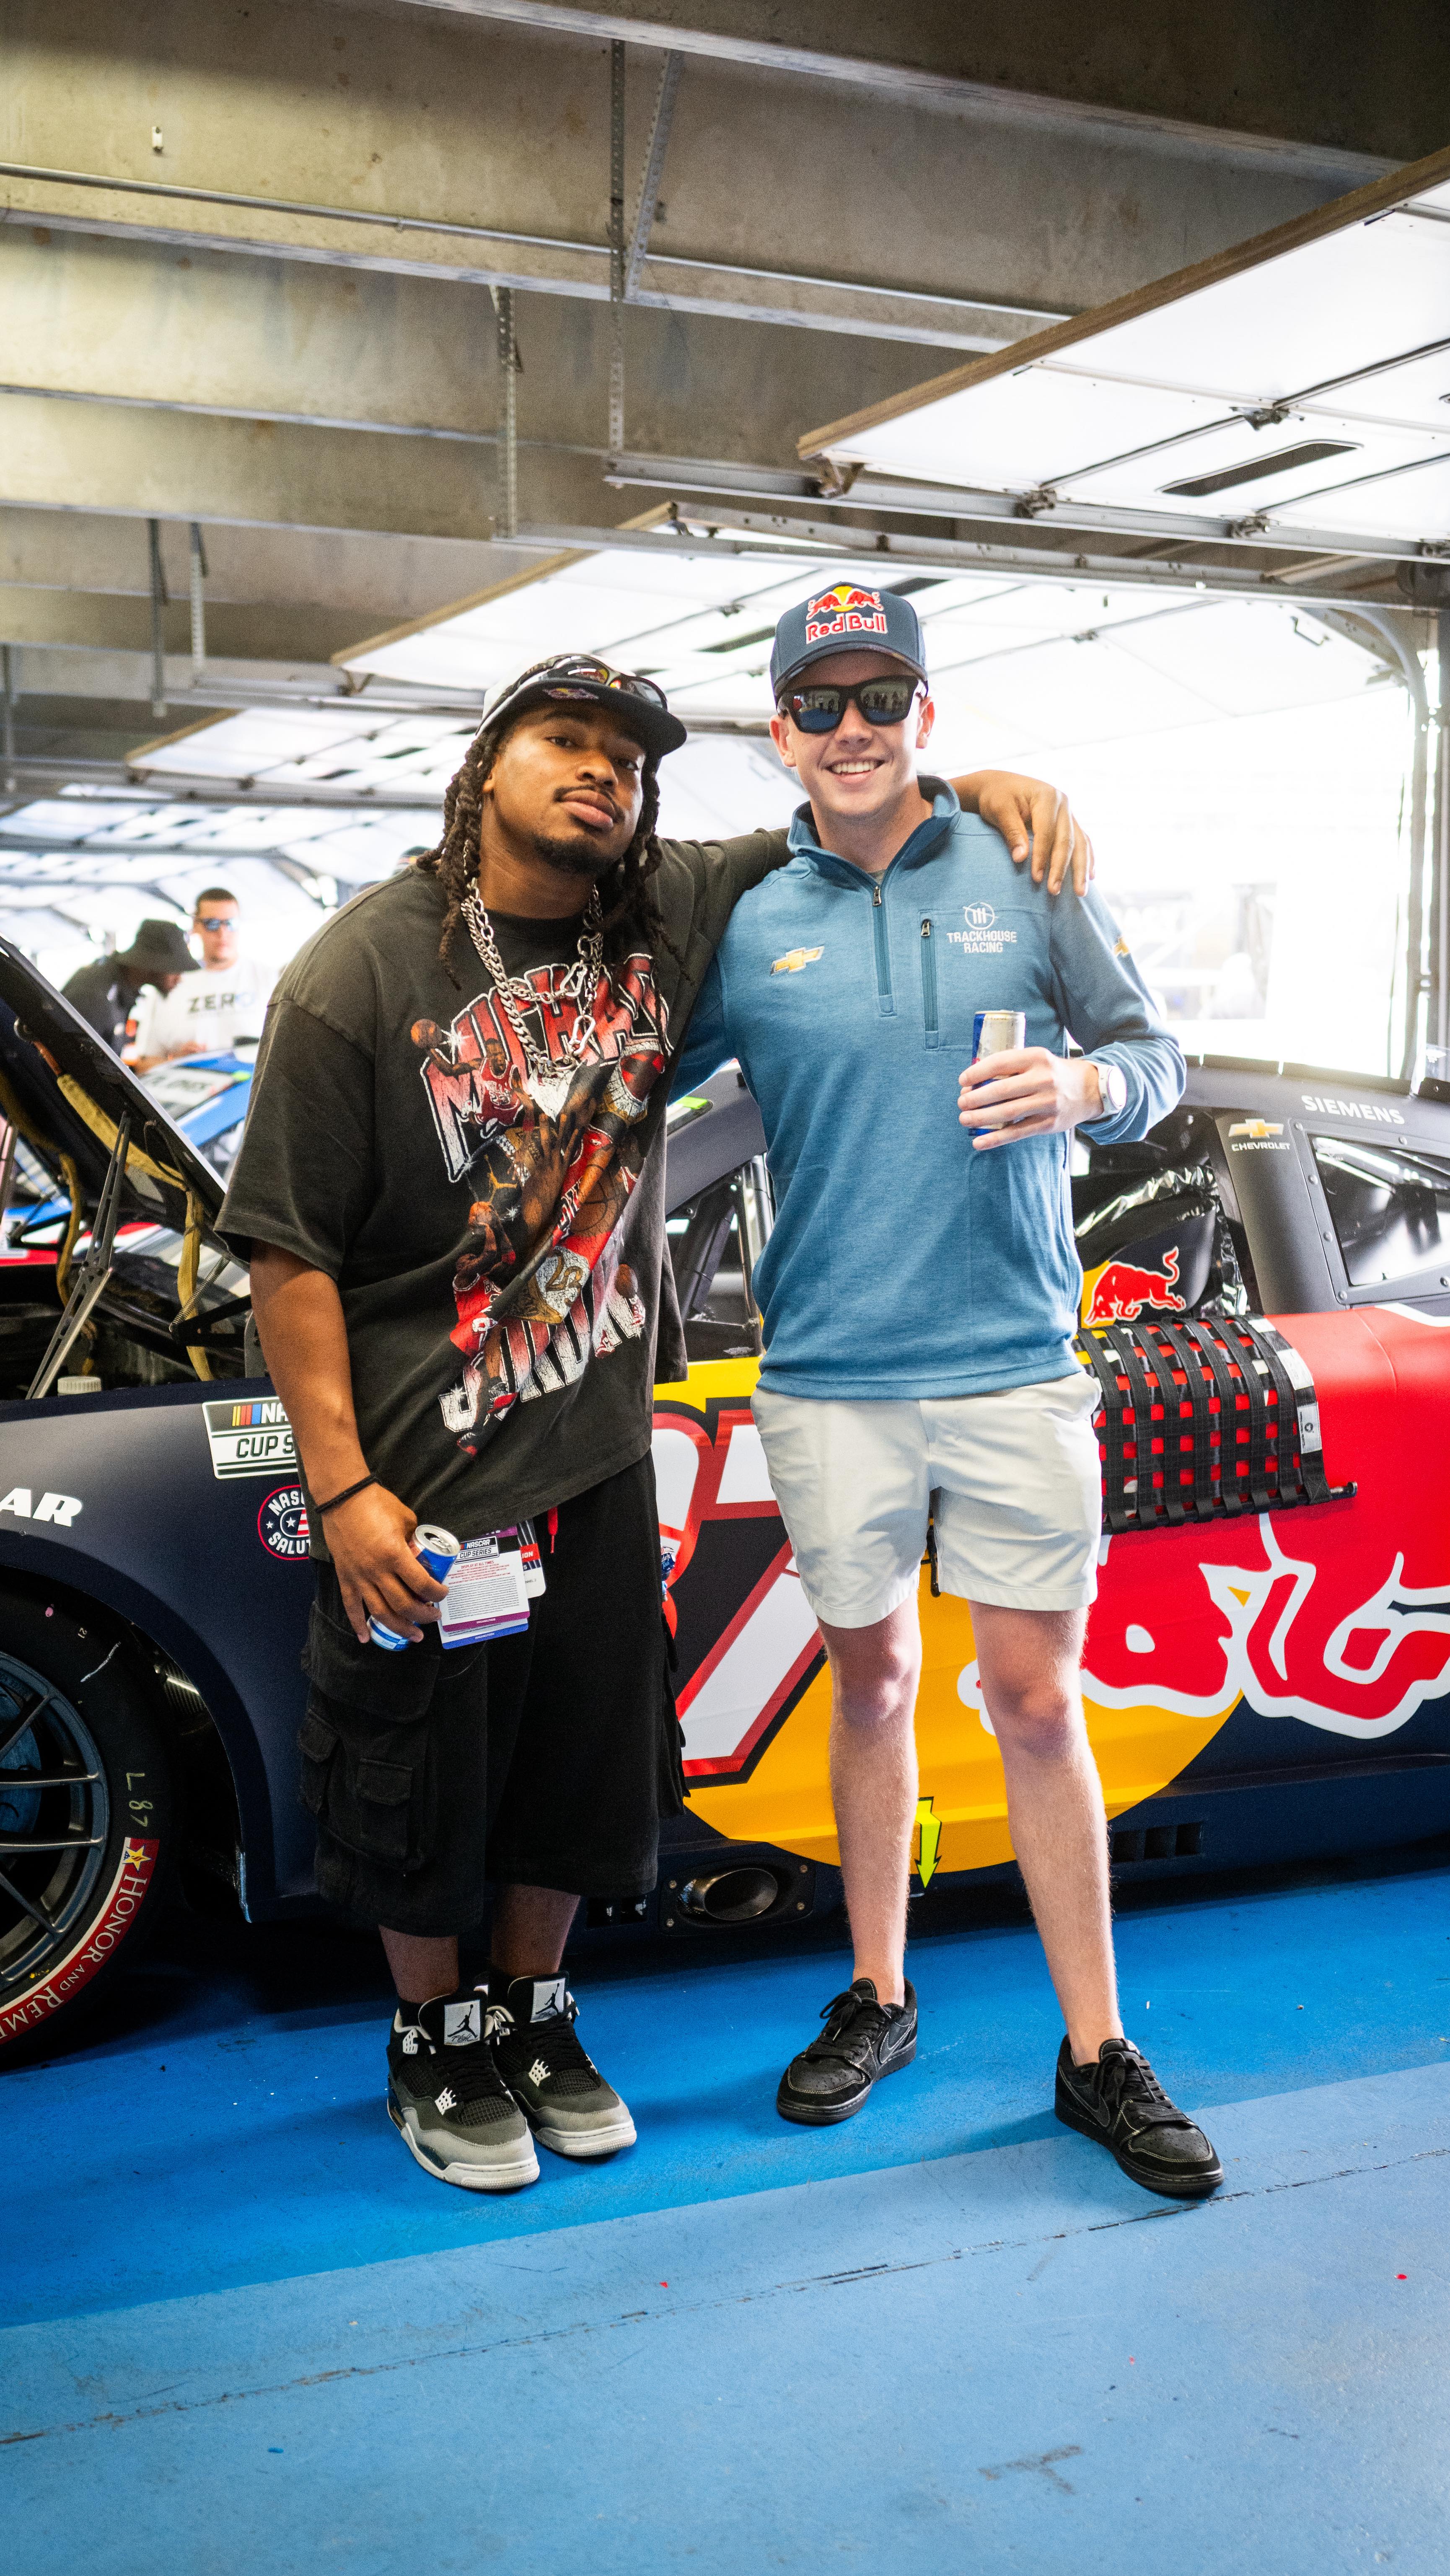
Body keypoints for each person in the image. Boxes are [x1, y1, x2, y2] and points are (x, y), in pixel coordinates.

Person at [220, 646, 1095, 2197]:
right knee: (413, 1775)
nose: (599, 773)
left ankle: (538, 2013)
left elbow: (857, 802)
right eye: (564, 741)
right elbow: (287, 1251)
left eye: (625, 759)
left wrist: (991, 789)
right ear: (486, 764)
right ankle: (434, 2036)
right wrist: (341, 1480)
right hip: (418, 1460)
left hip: (595, 1449)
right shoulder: (356, 969)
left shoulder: (669, 911)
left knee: (582, 1766)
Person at [671, 587, 1223, 2201]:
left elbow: (1157, 1059)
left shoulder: (1026, 861)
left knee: (1039, 1702)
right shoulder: (744, 913)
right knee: (870, 1683)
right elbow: (631, 1080)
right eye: (820, 702)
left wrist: (1079, 1084)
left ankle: (1096, 2047)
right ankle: (881, 1992)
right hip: (829, 1371)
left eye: (881, 695)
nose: (853, 727)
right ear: (778, 727)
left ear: (926, 709)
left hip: (1011, 1364)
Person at [130, 886, 272, 1070]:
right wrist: (178, 1062)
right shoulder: (171, 983)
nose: (223, 934)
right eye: (212, 924)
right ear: (196, 926)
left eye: (231, 924)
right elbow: (143, 1065)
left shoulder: (268, 980)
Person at [62, 917, 196, 1056]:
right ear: (153, 963)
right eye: (176, 969)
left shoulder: (119, 985)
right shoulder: (94, 995)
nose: (180, 978)